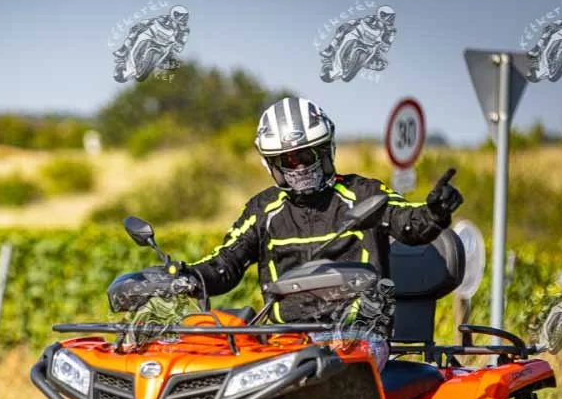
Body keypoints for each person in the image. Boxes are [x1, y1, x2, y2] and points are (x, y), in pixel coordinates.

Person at [178, 97, 463, 366]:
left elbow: (408, 223)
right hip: (285, 340)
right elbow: (225, 264)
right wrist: (184, 277)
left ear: (326, 149)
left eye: (307, 154)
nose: (300, 166)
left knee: (323, 367)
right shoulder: (262, 210)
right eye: (289, 160)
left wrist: (434, 212)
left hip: (358, 336)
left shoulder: (364, 194)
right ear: (272, 163)